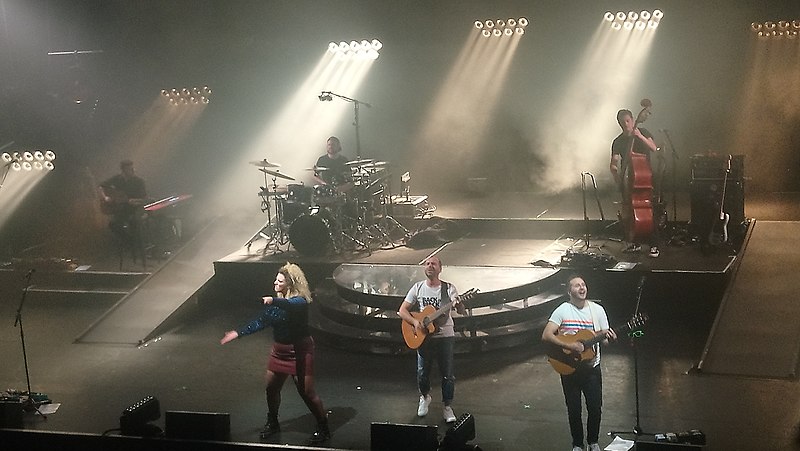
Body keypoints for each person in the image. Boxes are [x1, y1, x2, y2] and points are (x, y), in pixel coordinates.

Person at [220, 263, 330, 444]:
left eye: (280, 281)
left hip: (300, 352)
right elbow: (260, 322)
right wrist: (238, 333)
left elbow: (290, 304)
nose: (275, 283)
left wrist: (272, 300)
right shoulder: (276, 306)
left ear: (290, 283)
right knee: (271, 389)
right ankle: (272, 422)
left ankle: (323, 426)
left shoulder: (299, 301)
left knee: (306, 393)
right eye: (276, 280)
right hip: (279, 352)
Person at [542, 274, 617, 451]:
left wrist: (611, 340)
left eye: (583, 284)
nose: (582, 288)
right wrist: (570, 345)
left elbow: (604, 340)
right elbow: (546, 335)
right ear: (569, 291)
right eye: (577, 286)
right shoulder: (562, 310)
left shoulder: (597, 310)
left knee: (595, 408)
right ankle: (577, 444)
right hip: (569, 368)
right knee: (574, 410)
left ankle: (593, 442)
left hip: (592, 369)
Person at [397, 256, 466, 424]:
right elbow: (402, 311)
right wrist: (415, 322)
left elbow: (462, 310)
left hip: (445, 337)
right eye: (427, 264)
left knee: (447, 375)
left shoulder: (448, 289)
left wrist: (459, 304)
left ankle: (447, 407)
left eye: (433, 264)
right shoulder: (418, 287)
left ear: (440, 269)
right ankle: (424, 397)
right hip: (424, 338)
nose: (430, 266)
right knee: (422, 373)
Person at [609, 108, 662, 258]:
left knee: (649, 211)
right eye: (622, 122)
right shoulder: (618, 141)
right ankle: (635, 242)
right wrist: (614, 170)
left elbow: (653, 148)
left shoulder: (643, 132)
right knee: (630, 212)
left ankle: (654, 244)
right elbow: (615, 161)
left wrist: (639, 136)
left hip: (645, 178)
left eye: (627, 121)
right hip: (629, 181)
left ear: (633, 120)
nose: (625, 124)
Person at [98, 160, 149, 262]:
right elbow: (100, 186)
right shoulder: (117, 179)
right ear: (124, 170)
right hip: (122, 209)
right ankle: (129, 243)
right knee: (113, 224)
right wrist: (105, 198)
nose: (132, 170)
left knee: (134, 222)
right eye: (130, 169)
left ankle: (137, 248)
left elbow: (144, 198)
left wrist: (134, 201)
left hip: (135, 209)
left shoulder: (139, 182)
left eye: (133, 168)